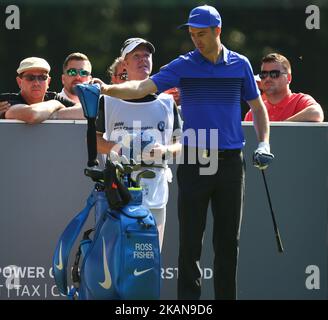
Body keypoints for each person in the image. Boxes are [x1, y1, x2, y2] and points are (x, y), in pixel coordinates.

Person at [92, 5, 272, 300]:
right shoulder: (184, 64)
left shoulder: (239, 64)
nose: (196, 40)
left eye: (201, 34)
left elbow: (257, 107)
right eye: (192, 34)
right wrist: (106, 90)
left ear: (218, 31)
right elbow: (141, 88)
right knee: (190, 244)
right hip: (195, 159)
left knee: (228, 243)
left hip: (229, 163)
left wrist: (263, 142)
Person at [96, 38, 182, 250]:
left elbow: (179, 143)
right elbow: (94, 140)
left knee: (150, 256)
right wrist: (122, 149)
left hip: (156, 191)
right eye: (136, 56)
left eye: (147, 55)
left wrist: (164, 151)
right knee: (118, 257)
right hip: (118, 190)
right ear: (124, 64)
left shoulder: (166, 101)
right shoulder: (107, 100)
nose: (143, 59)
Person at [2, 57, 84, 123]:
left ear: (48, 82)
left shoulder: (53, 97)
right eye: (30, 78)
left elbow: (84, 111)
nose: (36, 83)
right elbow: (33, 115)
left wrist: (51, 115)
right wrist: (55, 104)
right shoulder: (7, 102)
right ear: (19, 82)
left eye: (42, 78)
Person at [244, 53, 324, 122]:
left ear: (288, 78)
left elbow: (316, 113)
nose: (268, 78)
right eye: (263, 74)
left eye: (274, 74)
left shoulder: (299, 100)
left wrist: (282, 127)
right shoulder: (254, 111)